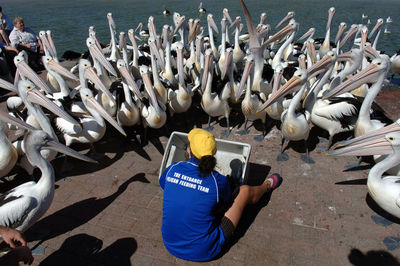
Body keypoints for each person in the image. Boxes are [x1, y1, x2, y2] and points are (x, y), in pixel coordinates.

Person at [159, 128, 283, 261]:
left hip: (170, 243)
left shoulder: (173, 168)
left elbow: (164, 185)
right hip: (204, 250)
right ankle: (267, 186)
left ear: (190, 151)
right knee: (243, 192)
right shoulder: (217, 181)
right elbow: (226, 201)